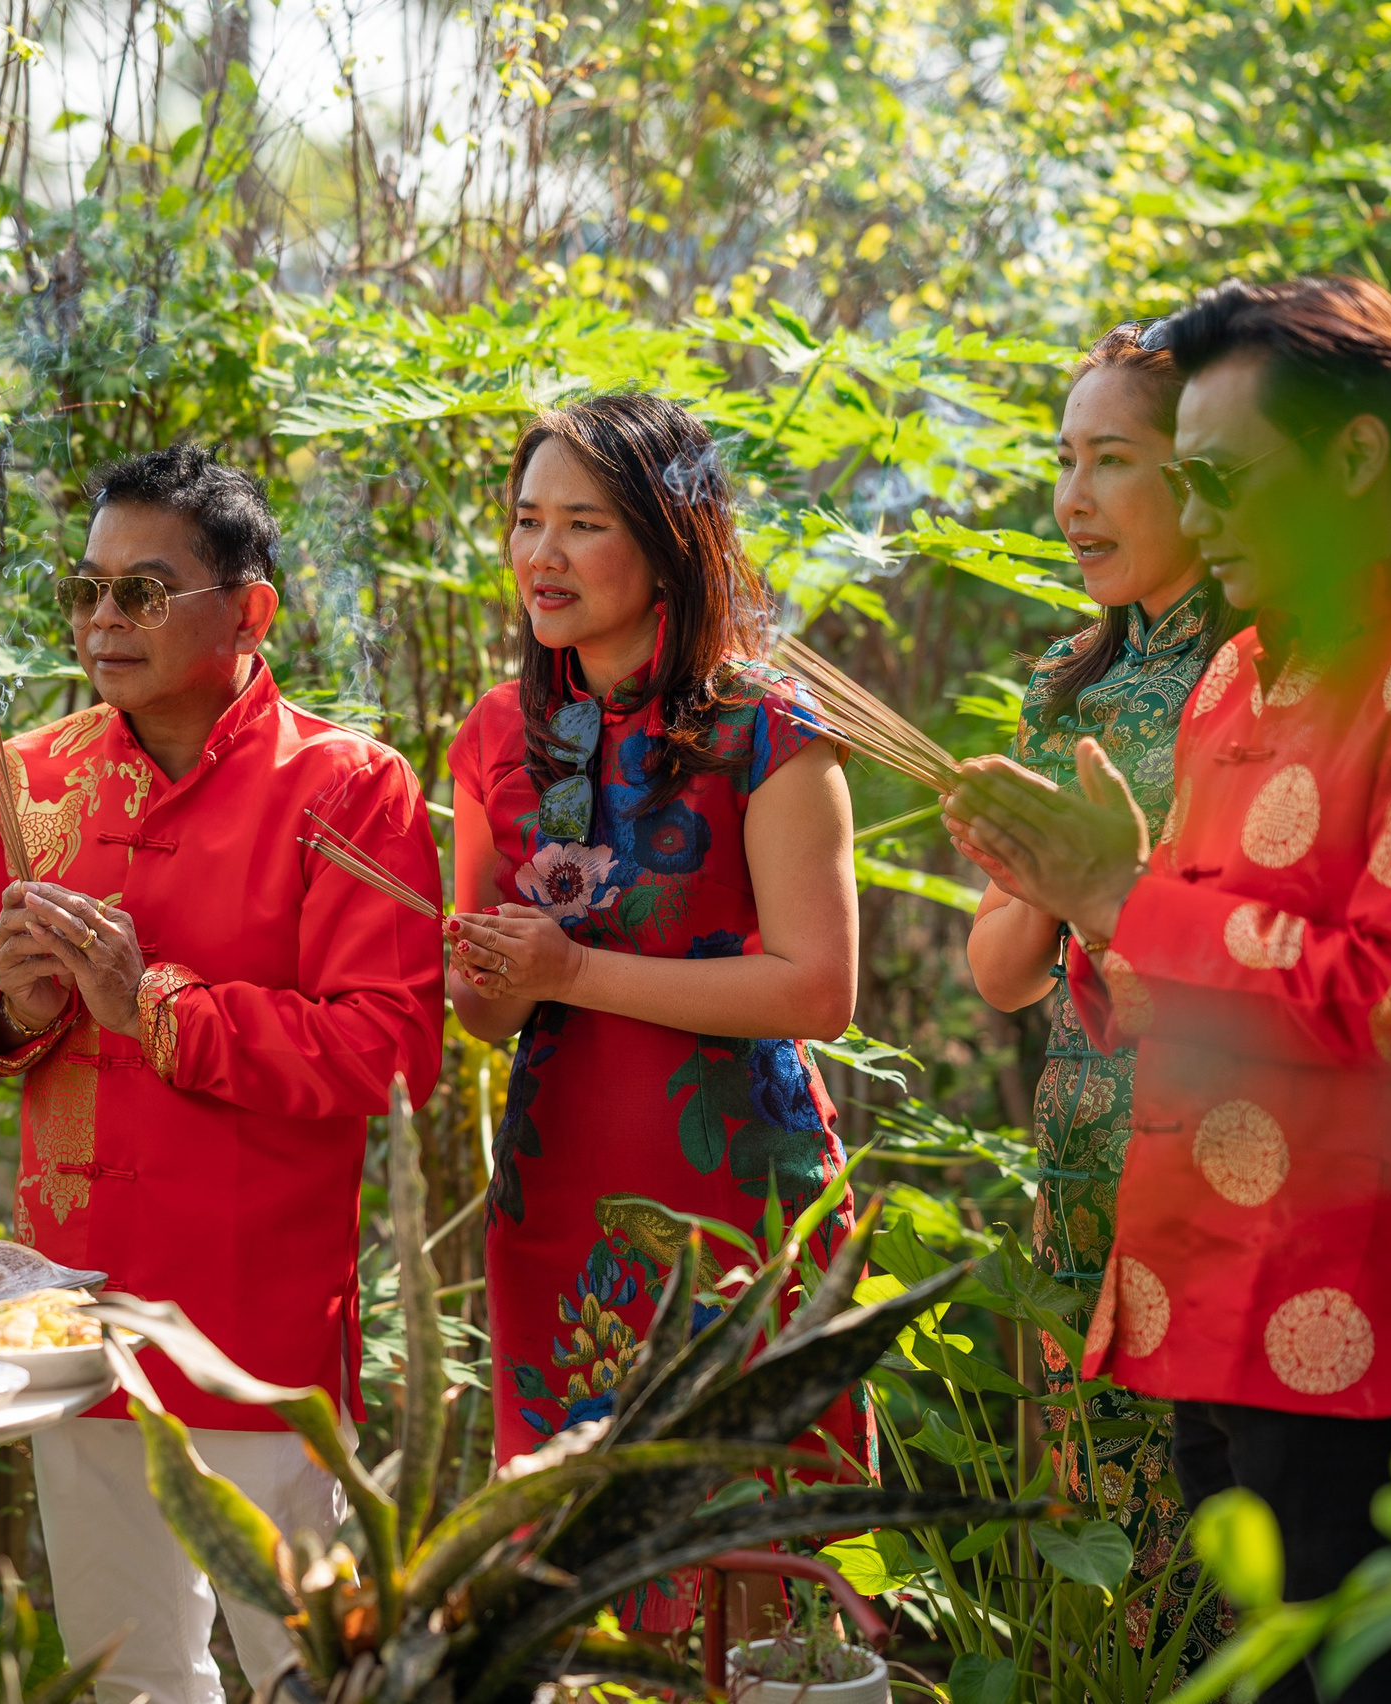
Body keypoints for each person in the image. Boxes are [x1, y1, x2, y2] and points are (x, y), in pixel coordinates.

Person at [947, 276, 1391, 1703]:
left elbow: (1384, 996)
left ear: (1354, 461)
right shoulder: (1236, 670)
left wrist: (1117, 895)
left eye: (1218, 477)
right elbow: (1174, 969)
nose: (1196, 510)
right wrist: (1080, 898)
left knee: (1381, 1680)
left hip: (1369, 1289)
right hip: (1202, 1278)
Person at [0, 444, 444, 1704]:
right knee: (129, 1678)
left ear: (249, 610)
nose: (101, 620)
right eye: (85, 591)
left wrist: (149, 1007)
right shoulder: (28, 779)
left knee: (327, 1679)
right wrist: (15, 999)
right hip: (77, 1325)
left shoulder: (348, 789)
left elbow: (388, 1050)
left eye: (142, 593)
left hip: (260, 1339)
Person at [442, 393, 864, 1632]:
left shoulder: (768, 730)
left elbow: (817, 990)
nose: (541, 556)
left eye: (582, 523)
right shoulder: (490, 737)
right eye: (526, 522)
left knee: (754, 1582)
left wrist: (572, 973)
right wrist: (483, 979)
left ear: (672, 536)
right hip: (554, 1207)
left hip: (736, 1215)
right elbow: (482, 1017)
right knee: (576, 1588)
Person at [958, 319, 1241, 1650]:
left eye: (1110, 460)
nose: (1072, 498)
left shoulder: (1261, 679)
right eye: (1062, 460)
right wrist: (1027, 871)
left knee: (1222, 1530)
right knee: (1100, 1514)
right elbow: (1001, 975)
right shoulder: (1064, 691)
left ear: (1201, 477)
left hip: (1219, 1127)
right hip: (1082, 1142)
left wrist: (1107, 883)